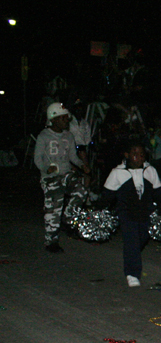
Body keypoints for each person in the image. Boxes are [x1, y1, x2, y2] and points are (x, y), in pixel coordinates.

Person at [100, 141, 161, 287]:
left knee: (141, 238)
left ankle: (131, 256)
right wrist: (100, 209)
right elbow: (107, 195)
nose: (139, 158)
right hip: (126, 213)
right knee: (132, 241)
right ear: (127, 155)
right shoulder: (118, 173)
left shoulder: (150, 170)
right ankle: (132, 273)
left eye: (142, 155)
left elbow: (158, 192)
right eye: (135, 154)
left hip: (145, 212)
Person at [34, 102, 90, 253]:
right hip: (50, 177)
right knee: (54, 208)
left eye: (67, 118)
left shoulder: (68, 136)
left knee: (81, 189)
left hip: (66, 174)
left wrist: (81, 165)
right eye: (63, 118)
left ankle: (68, 217)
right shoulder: (44, 136)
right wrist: (46, 168)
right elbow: (37, 159)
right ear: (54, 119)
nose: (67, 121)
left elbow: (73, 157)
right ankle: (51, 241)